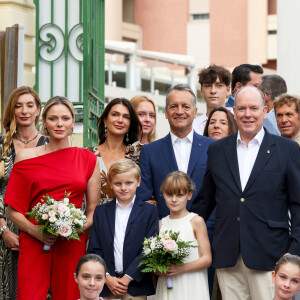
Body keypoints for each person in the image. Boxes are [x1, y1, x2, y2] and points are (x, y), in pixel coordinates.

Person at [191, 86, 300, 300]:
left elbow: (298, 204)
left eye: (253, 108)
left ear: (264, 110)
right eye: (241, 109)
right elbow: (204, 202)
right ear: (234, 112)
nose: (247, 114)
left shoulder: (288, 150)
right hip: (227, 255)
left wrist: (294, 250)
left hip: (271, 257)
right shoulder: (217, 150)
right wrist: (177, 232)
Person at [4, 96, 101, 300]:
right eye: (53, 118)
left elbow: (93, 209)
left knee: (69, 294)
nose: (59, 124)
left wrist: (73, 229)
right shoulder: (26, 156)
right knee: (29, 296)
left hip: (72, 241)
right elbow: (12, 209)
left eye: (65, 118)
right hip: (33, 239)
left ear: (73, 121)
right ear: (44, 121)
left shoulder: (88, 159)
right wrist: (36, 232)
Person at [137, 84, 214, 219]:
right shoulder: (149, 152)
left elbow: (219, 196)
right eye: (173, 106)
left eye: (185, 106)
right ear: (166, 112)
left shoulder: (213, 148)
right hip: (163, 233)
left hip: (205, 234)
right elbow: (144, 201)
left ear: (195, 112)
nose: (179, 111)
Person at [0, 86, 48, 300]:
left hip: (40, 227)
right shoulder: (1, 145)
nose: (24, 110)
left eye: (30, 105)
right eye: (18, 106)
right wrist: (3, 230)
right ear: (12, 111)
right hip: (4, 229)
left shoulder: (49, 145)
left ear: (38, 110)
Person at [88, 158, 158, 299]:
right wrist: (106, 277)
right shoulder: (101, 212)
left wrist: (127, 277)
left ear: (138, 182)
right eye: (118, 183)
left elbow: (149, 249)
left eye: (129, 183)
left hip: (135, 286)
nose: (123, 188)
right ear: (110, 184)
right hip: (107, 286)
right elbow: (94, 249)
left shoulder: (150, 211)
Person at [155, 171, 211, 300]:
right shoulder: (161, 224)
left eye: (180, 195)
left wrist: (180, 268)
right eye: (169, 194)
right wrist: (161, 269)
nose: (174, 200)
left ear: (189, 195)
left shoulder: (196, 221)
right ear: (163, 194)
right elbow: (154, 268)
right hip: (169, 285)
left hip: (192, 283)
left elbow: (207, 259)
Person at [88, 98, 142, 204]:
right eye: (115, 114)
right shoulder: (88, 154)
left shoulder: (138, 153)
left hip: (131, 218)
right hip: (95, 218)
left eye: (126, 117)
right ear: (105, 120)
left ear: (130, 124)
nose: (120, 120)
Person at [193, 65, 233, 135]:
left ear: (228, 90)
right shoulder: (194, 127)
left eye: (219, 86)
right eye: (208, 86)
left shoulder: (238, 119)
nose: (213, 91)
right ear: (201, 91)